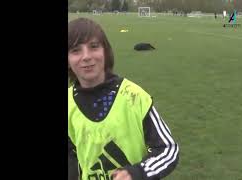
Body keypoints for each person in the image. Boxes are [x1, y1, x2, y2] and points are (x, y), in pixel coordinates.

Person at [68, 18, 180, 180]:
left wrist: (138, 172)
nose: (86, 56)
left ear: (105, 52)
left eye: (93, 47)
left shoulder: (134, 97)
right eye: (76, 50)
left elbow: (168, 149)